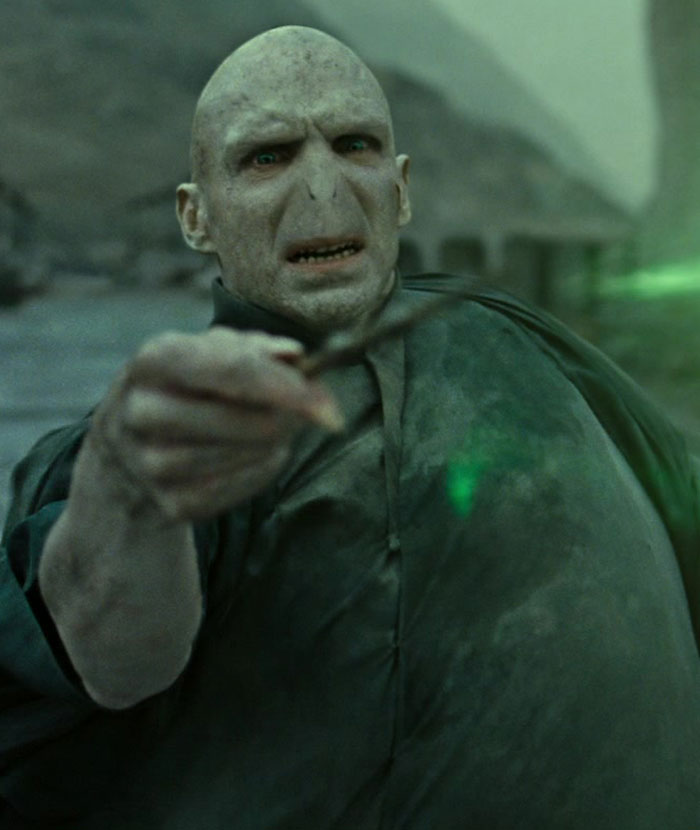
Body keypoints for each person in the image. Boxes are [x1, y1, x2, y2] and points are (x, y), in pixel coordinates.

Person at [1, 24, 700, 830]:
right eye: (267, 157)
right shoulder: (174, 428)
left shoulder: (524, 338)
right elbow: (104, 649)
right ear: (196, 217)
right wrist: (128, 489)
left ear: (399, 190)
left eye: (354, 145)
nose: (322, 192)